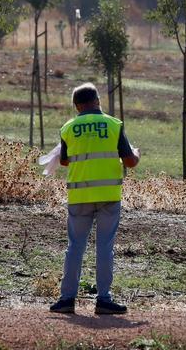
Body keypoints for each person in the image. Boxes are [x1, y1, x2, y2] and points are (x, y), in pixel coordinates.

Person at [49, 83, 139, 315]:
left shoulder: (68, 127)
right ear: (98, 101)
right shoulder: (114, 124)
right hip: (109, 196)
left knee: (75, 247)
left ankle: (67, 299)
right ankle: (104, 300)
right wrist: (136, 154)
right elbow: (129, 162)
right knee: (105, 247)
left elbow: (64, 161)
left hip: (79, 196)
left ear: (77, 106)